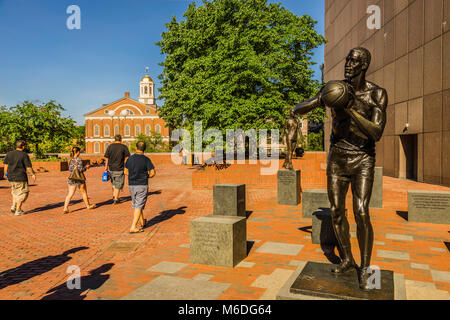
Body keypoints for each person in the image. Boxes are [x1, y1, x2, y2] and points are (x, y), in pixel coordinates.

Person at [291, 47, 388, 290]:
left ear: (364, 65)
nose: (348, 64)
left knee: (361, 211)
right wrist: (320, 99)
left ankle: (365, 268)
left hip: (363, 158)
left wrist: (349, 110)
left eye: (354, 61)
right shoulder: (336, 89)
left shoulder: (376, 94)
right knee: (336, 211)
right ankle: (347, 259)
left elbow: (376, 132)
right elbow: (300, 108)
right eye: (347, 60)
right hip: (338, 158)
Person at [124, 141, 156, 233]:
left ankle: (142, 221)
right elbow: (153, 173)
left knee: (137, 204)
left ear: (136, 147)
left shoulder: (130, 159)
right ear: (144, 149)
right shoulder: (146, 159)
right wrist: (146, 176)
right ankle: (133, 226)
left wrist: (133, 175)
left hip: (131, 185)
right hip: (142, 184)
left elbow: (125, 172)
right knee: (139, 205)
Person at [3, 140, 36, 216]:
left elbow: (6, 165)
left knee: (15, 192)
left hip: (11, 177)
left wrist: (6, 174)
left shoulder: (9, 154)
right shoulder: (24, 155)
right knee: (23, 193)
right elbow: (28, 167)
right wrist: (32, 174)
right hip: (20, 177)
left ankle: (14, 206)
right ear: (23, 146)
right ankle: (18, 210)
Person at [63, 147, 96, 214]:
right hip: (79, 179)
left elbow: (70, 170)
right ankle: (88, 206)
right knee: (83, 192)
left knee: (70, 194)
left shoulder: (69, 159)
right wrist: (86, 167)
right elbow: (80, 170)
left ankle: (65, 208)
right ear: (78, 152)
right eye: (79, 152)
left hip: (71, 178)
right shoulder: (79, 159)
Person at [104, 134, 131, 204]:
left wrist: (106, 166)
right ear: (121, 139)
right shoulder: (123, 147)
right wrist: (126, 165)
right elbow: (128, 157)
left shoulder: (110, 146)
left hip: (111, 168)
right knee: (118, 184)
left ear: (114, 139)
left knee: (113, 183)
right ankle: (115, 199)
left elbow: (106, 157)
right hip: (120, 168)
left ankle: (114, 196)